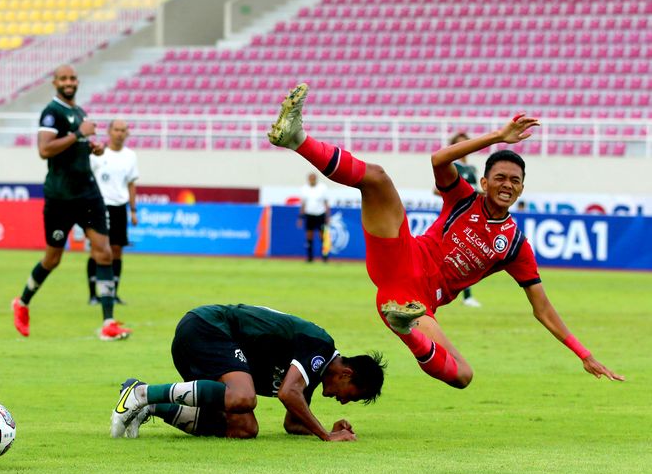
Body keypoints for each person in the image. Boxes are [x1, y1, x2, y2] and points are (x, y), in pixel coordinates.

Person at [267, 83, 624, 389]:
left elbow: (542, 309)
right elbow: (439, 159)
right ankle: (296, 138)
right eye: (499, 177)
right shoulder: (462, 198)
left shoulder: (515, 245)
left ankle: (403, 328)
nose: (507, 184)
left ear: (521, 190)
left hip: (414, 304)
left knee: (463, 376)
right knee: (375, 178)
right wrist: (498, 136)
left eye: (514, 181)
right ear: (484, 183)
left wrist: (584, 354)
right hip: (402, 256)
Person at [110, 304, 386, 441]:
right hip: (207, 327)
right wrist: (326, 437)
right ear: (346, 374)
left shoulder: (308, 377)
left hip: (205, 346)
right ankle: (140, 393)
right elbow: (288, 394)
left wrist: (329, 428)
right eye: (352, 395)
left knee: (245, 428)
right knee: (244, 397)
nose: (344, 401)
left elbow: (292, 424)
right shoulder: (321, 348)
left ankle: (152, 407)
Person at [11, 64, 132, 341]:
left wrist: (91, 146)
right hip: (60, 198)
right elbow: (44, 149)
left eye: (72, 77)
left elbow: (75, 144)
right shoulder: (52, 112)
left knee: (103, 251)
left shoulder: (79, 112)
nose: (69, 82)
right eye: (63, 78)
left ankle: (108, 323)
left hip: (88, 194)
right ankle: (22, 302)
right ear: (55, 82)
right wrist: (78, 135)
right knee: (52, 259)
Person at [87, 119, 139, 305]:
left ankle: (113, 293)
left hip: (119, 208)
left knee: (117, 250)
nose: (119, 133)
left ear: (127, 133)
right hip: (99, 207)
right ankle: (93, 295)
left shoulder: (130, 156)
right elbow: (88, 179)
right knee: (97, 250)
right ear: (109, 131)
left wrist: (133, 210)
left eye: (123, 130)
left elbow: (131, 183)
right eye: (116, 129)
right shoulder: (98, 154)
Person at [433, 132, 481, 308]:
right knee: (457, 255)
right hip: (455, 216)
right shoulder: (454, 167)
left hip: (472, 218)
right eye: (459, 144)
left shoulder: (472, 169)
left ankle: (466, 295)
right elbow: (436, 189)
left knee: (467, 256)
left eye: (465, 144)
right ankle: (464, 296)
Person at [298, 172, 330, 262]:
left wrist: (327, 216)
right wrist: (300, 217)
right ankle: (310, 257)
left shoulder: (322, 188)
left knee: (322, 237)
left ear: (316, 179)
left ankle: (325, 257)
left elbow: (326, 203)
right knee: (309, 236)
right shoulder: (304, 189)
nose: (312, 180)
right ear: (308, 179)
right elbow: (303, 204)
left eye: (313, 178)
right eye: (310, 178)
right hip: (309, 215)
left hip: (320, 214)